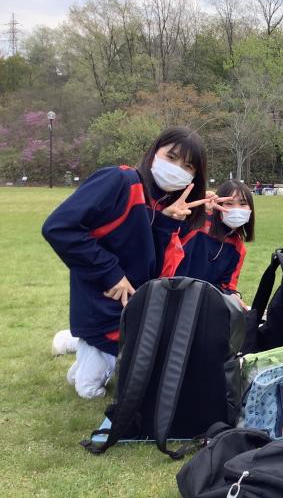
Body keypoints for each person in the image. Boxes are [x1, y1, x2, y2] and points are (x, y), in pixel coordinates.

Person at [43, 126, 209, 399]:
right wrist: (110, 272)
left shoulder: (159, 202)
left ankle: (82, 352)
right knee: (92, 388)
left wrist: (167, 222)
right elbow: (59, 227)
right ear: (154, 152)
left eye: (188, 166)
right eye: (172, 157)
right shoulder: (120, 180)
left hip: (132, 304)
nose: (177, 168)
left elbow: (154, 266)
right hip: (102, 298)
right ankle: (82, 350)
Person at [160, 179, 254, 302]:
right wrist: (195, 207)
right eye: (229, 203)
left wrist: (234, 296)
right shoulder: (197, 224)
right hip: (167, 293)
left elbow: (227, 286)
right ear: (218, 205)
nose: (236, 209)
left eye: (242, 204)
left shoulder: (238, 248)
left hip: (200, 305)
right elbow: (165, 233)